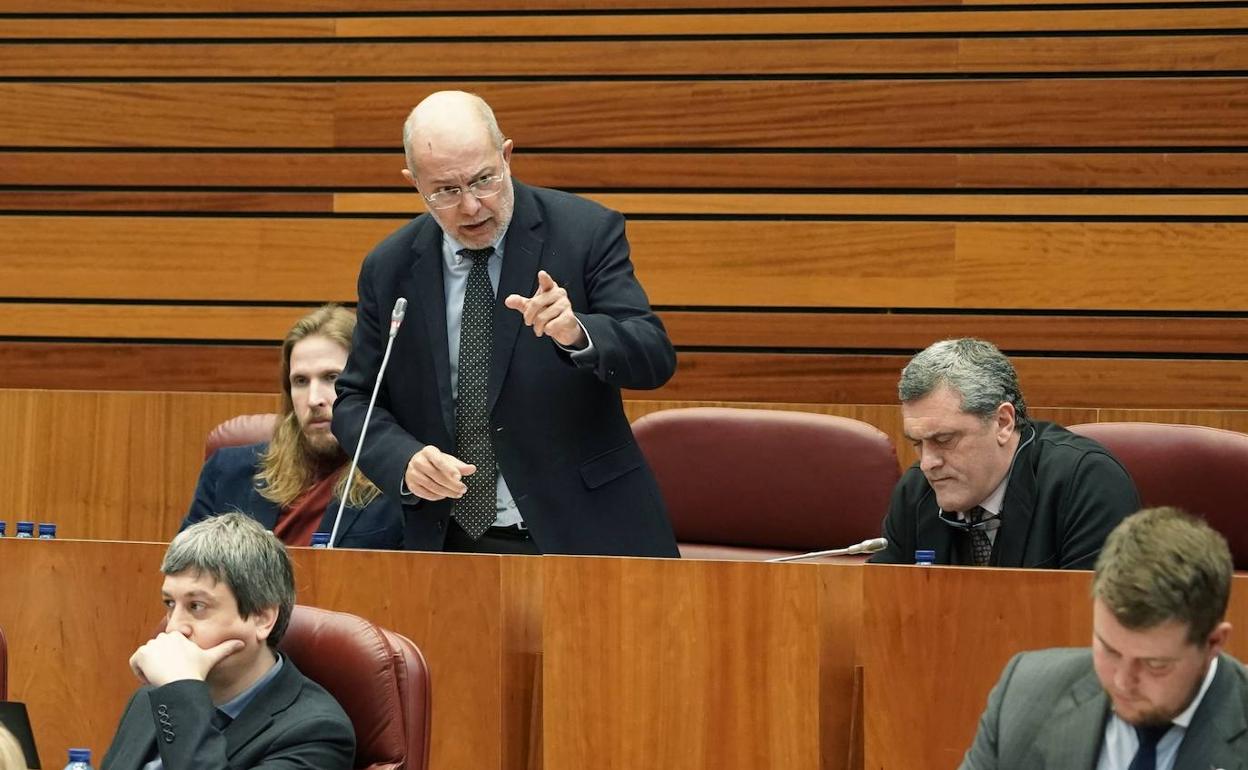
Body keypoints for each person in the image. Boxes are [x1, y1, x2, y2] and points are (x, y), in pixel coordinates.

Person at [332, 90, 679, 556]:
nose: (472, 206)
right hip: (449, 541)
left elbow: (653, 355)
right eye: (446, 191)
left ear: (507, 156)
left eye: (483, 180)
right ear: (414, 184)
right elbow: (356, 400)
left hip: (586, 533)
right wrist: (403, 461)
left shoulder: (585, 233)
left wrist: (579, 333)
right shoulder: (389, 268)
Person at [960, 507, 1247, 769]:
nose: (1122, 681)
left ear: (1212, 644)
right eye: (1109, 650)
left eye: (1154, 664)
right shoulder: (1025, 696)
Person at [101, 513, 354, 770]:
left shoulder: (315, 732)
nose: (174, 627)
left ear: (262, 618)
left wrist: (181, 692)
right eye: (169, 603)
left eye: (197, 606)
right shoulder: (153, 697)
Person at [870, 338, 1139, 567]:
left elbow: (1093, 617)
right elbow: (881, 608)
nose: (928, 463)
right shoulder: (916, 491)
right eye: (917, 443)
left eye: (944, 439)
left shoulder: (1086, 482)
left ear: (1003, 423)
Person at [182, 304, 402, 548]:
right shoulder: (227, 473)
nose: (313, 399)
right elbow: (185, 576)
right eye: (300, 381)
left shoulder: (400, 484)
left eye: (332, 378)